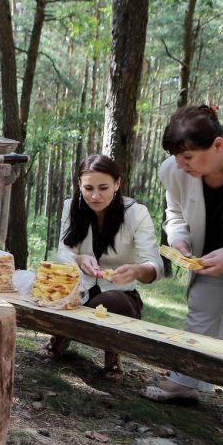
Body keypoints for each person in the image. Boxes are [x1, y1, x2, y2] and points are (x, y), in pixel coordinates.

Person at [140, 105, 223, 429]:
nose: (180, 165)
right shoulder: (173, 170)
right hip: (212, 256)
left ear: (218, 145)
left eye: (189, 157)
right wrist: (179, 239)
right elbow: (175, 213)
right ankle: (186, 383)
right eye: (177, 157)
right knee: (200, 311)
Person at [39, 155, 163, 374]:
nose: (95, 196)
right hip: (79, 286)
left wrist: (137, 271)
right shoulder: (71, 206)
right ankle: (59, 338)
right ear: (79, 184)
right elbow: (63, 251)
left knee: (107, 303)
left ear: (117, 183)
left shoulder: (136, 213)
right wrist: (77, 259)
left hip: (118, 293)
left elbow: (153, 263)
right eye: (88, 188)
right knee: (59, 292)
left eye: (104, 188)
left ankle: (112, 351)